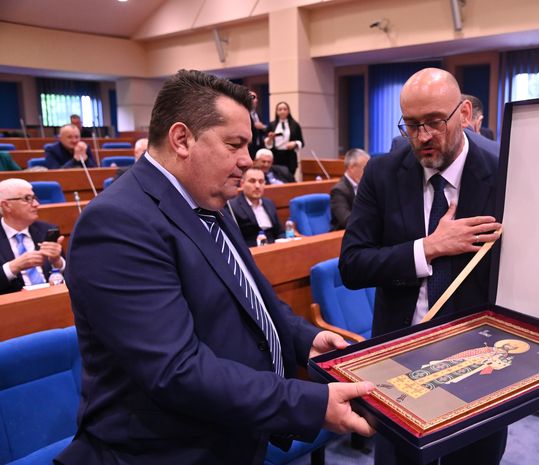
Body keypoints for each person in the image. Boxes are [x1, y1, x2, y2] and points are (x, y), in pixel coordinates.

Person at [55, 69, 374, 465]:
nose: (247, 160)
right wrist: (308, 402)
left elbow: (253, 300)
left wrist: (304, 340)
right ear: (182, 139)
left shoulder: (207, 199)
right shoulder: (117, 222)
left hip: (231, 435)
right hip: (165, 452)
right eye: (234, 144)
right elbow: (176, 369)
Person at [339, 68, 507, 465]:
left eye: (434, 122)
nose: (423, 136)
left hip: (478, 363)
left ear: (464, 114)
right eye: (412, 125)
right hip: (399, 363)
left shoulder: (503, 173)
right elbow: (353, 265)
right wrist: (427, 248)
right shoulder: (382, 172)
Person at [0, 178, 65, 294]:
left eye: (34, 198)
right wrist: (13, 267)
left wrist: (57, 261)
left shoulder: (48, 230)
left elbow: (72, 273)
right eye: (27, 199)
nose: (36, 204)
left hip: (52, 297)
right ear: (6, 206)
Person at [230, 167, 283, 246]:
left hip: (274, 247)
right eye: (252, 181)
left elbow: (279, 232)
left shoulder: (269, 203)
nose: (257, 186)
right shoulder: (233, 207)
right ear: (242, 183)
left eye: (261, 181)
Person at [330, 148, 370, 230]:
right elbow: (346, 220)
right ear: (351, 168)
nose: (367, 172)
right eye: (365, 168)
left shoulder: (365, 185)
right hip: (343, 233)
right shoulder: (338, 190)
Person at [264, 101, 304, 177]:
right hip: (276, 156)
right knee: (276, 177)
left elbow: (302, 142)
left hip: (290, 156)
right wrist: (270, 139)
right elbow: (266, 144)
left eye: (285, 109)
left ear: (288, 111)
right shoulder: (272, 125)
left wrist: (295, 143)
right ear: (276, 111)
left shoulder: (295, 125)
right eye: (280, 109)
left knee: (289, 178)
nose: (282, 111)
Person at [249, 91, 267, 157]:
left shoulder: (258, 115)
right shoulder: (244, 114)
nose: (256, 100)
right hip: (249, 147)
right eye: (253, 98)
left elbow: (262, 129)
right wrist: (254, 126)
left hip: (259, 147)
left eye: (256, 98)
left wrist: (263, 127)